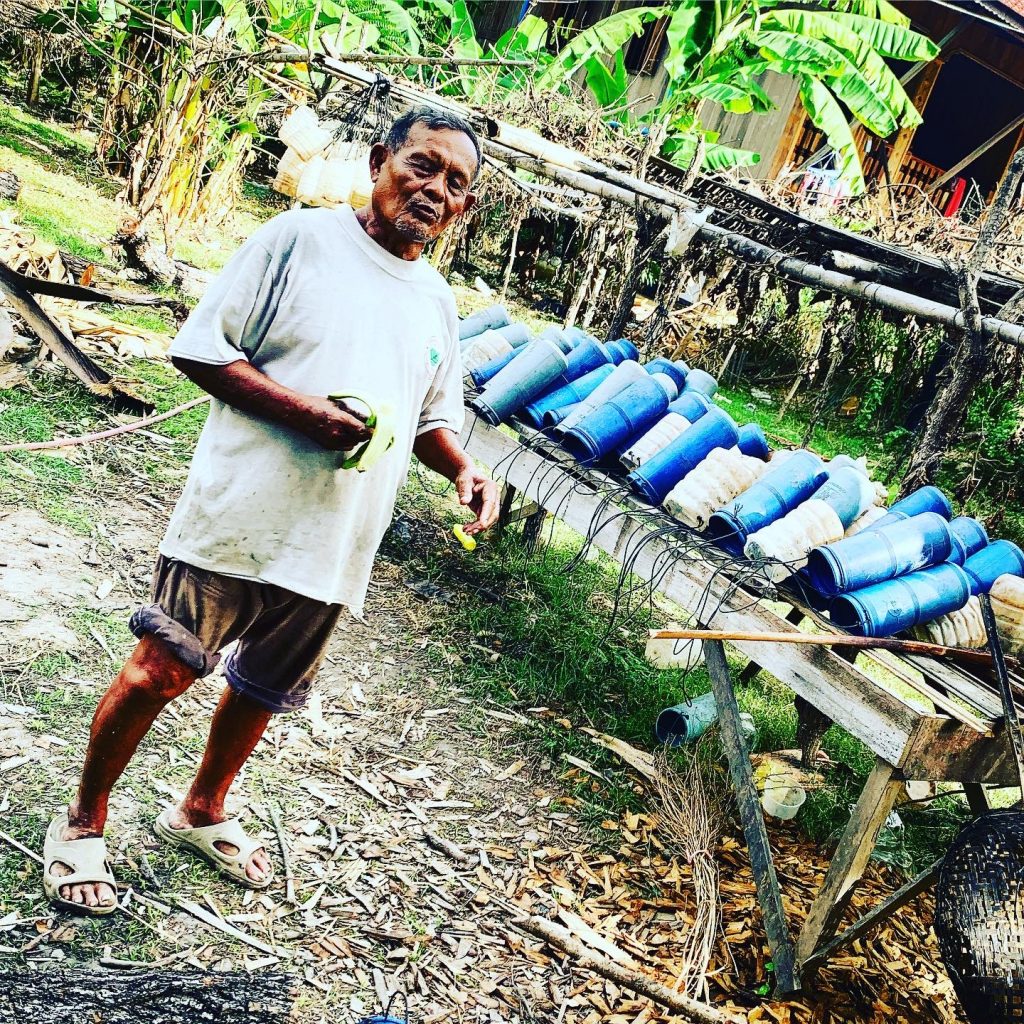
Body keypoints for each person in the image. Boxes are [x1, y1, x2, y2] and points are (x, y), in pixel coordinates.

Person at [41, 106, 499, 914]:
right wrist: (305, 413)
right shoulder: (300, 239)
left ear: (463, 210)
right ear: (379, 159)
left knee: (261, 688)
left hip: (340, 536)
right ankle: (82, 824)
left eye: (455, 184)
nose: (434, 190)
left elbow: (431, 418)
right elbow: (203, 347)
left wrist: (463, 469)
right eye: (423, 165)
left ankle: (202, 809)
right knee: (163, 670)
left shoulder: (435, 302)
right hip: (240, 512)